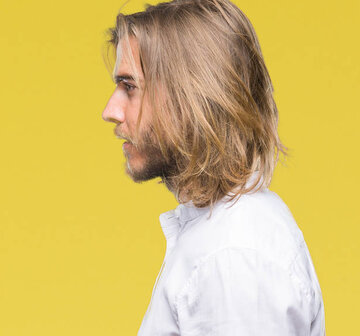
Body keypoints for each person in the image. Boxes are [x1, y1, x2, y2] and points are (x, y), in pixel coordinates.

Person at [101, 0, 326, 335]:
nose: (111, 111)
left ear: (192, 97)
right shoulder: (220, 238)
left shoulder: (232, 257)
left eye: (129, 87)